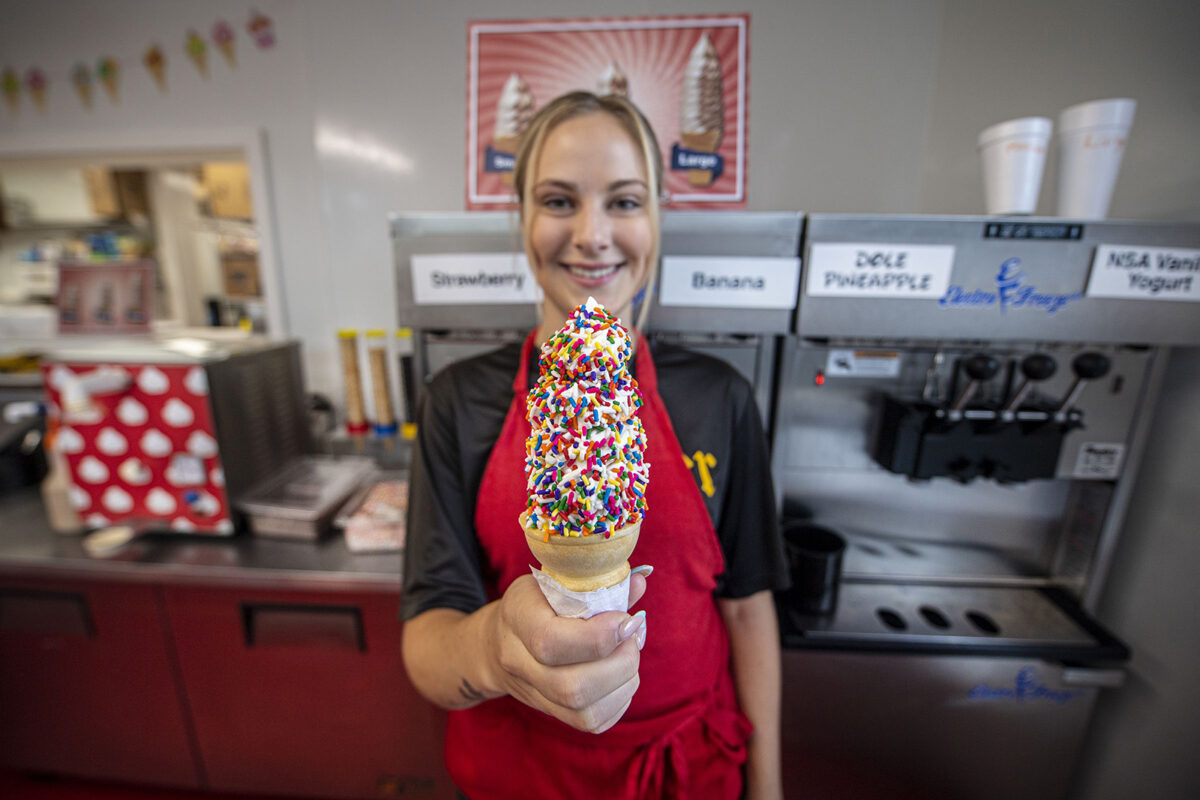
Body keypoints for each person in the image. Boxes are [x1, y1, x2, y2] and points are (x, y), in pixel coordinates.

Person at [401, 91, 788, 800]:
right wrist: (492, 647)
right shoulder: (458, 400)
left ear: (657, 219)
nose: (592, 234)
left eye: (624, 201)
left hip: (687, 771)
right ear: (520, 216)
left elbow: (746, 606)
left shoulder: (719, 396)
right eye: (557, 201)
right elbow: (428, 639)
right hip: (521, 773)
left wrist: (767, 789)